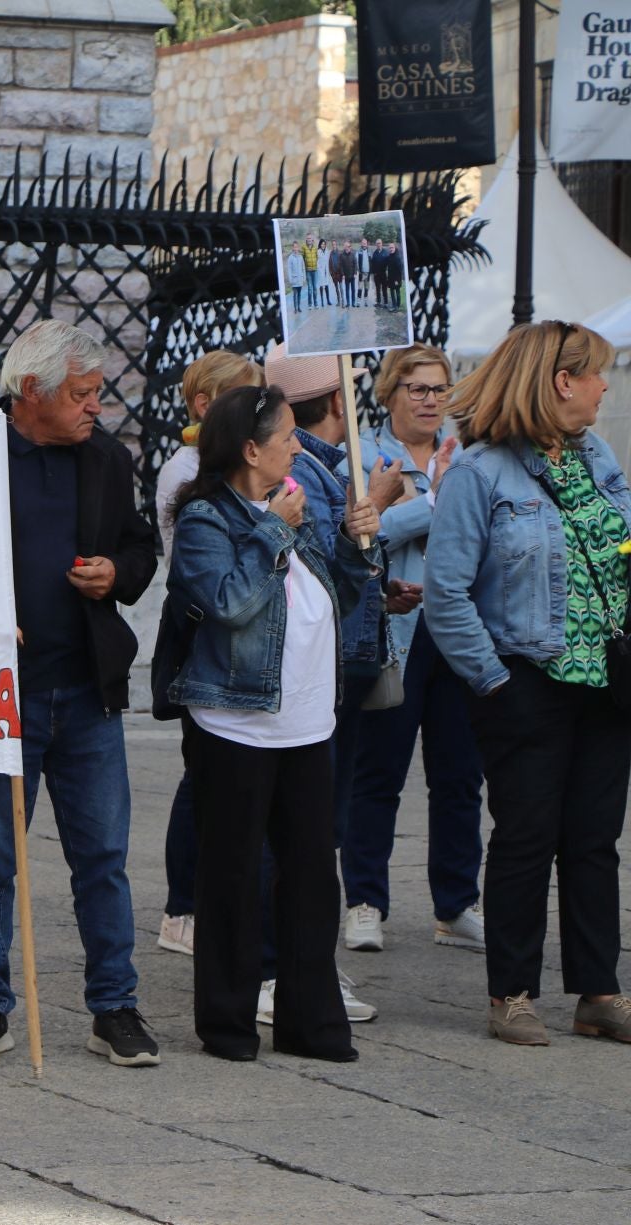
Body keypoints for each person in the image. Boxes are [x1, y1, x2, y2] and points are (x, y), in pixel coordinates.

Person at [0, 320, 161, 1070]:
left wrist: (117, 575)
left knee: (103, 857)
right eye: (80, 394)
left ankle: (115, 1006)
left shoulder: (105, 459)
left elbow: (142, 546)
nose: (94, 408)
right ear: (30, 392)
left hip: (86, 689)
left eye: (97, 392)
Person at [425, 320, 631, 1047]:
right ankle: (510, 992)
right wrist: (492, 681)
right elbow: (445, 592)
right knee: (525, 837)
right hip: (524, 677)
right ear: (559, 382)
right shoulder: (479, 473)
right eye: (596, 373)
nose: (606, 385)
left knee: (594, 839)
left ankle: (598, 990)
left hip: (605, 681)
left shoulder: (597, 456)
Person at [166, 384, 382, 1063]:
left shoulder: (297, 502)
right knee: (232, 875)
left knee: (314, 876)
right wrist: (274, 530)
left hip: (309, 718)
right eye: (286, 436)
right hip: (237, 721)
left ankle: (310, 1021)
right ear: (251, 448)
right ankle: (227, 1023)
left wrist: (353, 544)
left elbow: (333, 595)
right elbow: (228, 603)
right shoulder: (207, 518)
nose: (297, 446)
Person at [343, 344, 484, 955]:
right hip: (395, 630)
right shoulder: (368, 454)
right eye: (418, 389)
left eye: (439, 389)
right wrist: (434, 501)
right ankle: (365, 901)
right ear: (390, 393)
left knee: (460, 776)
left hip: (458, 627)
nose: (431, 400)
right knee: (379, 772)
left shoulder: (469, 459)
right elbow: (366, 529)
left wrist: (424, 503)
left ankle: (456, 904)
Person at [153, 350, 263, 957]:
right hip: (205, 635)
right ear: (205, 405)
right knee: (201, 777)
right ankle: (182, 907)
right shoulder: (187, 472)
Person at [284, 250, 306, 315]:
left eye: (297, 247)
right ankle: (295, 308)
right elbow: (289, 269)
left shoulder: (300, 257)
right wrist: (290, 279)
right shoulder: (290, 258)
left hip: (300, 279)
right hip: (294, 279)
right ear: (293, 248)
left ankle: (299, 307)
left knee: (299, 294)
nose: (296, 248)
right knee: (295, 294)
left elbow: (303, 268)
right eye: (294, 247)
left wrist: (304, 277)